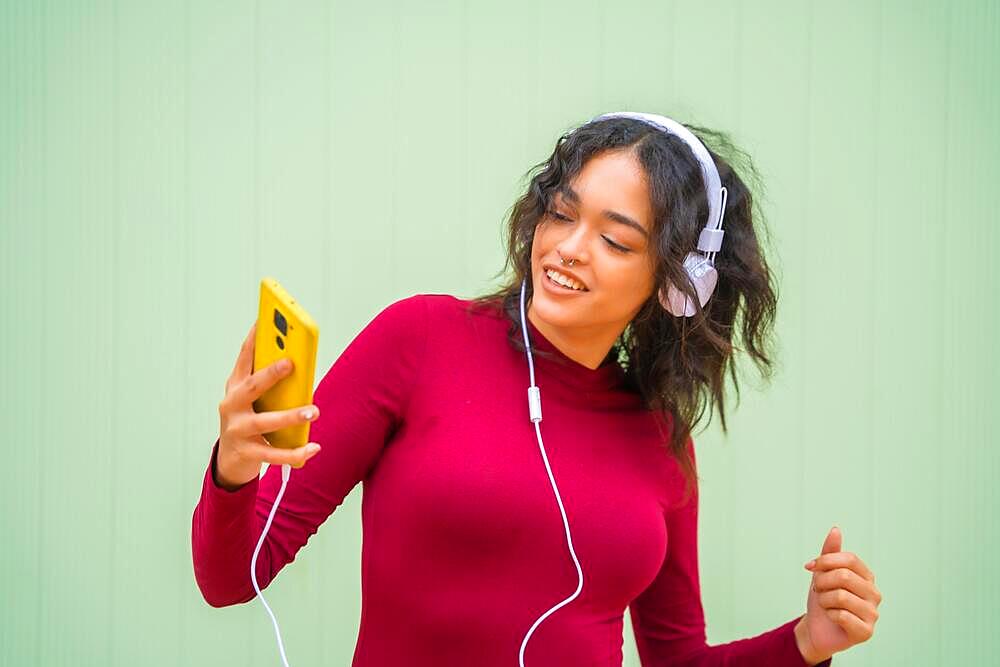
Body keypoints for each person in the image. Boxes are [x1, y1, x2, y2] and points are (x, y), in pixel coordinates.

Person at [192, 113, 881, 665]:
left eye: (615, 241)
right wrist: (233, 471)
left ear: (675, 285)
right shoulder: (419, 339)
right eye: (562, 212)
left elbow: (677, 659)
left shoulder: (660, 440)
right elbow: (229, 578)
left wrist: (806, 641)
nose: (567, 248)